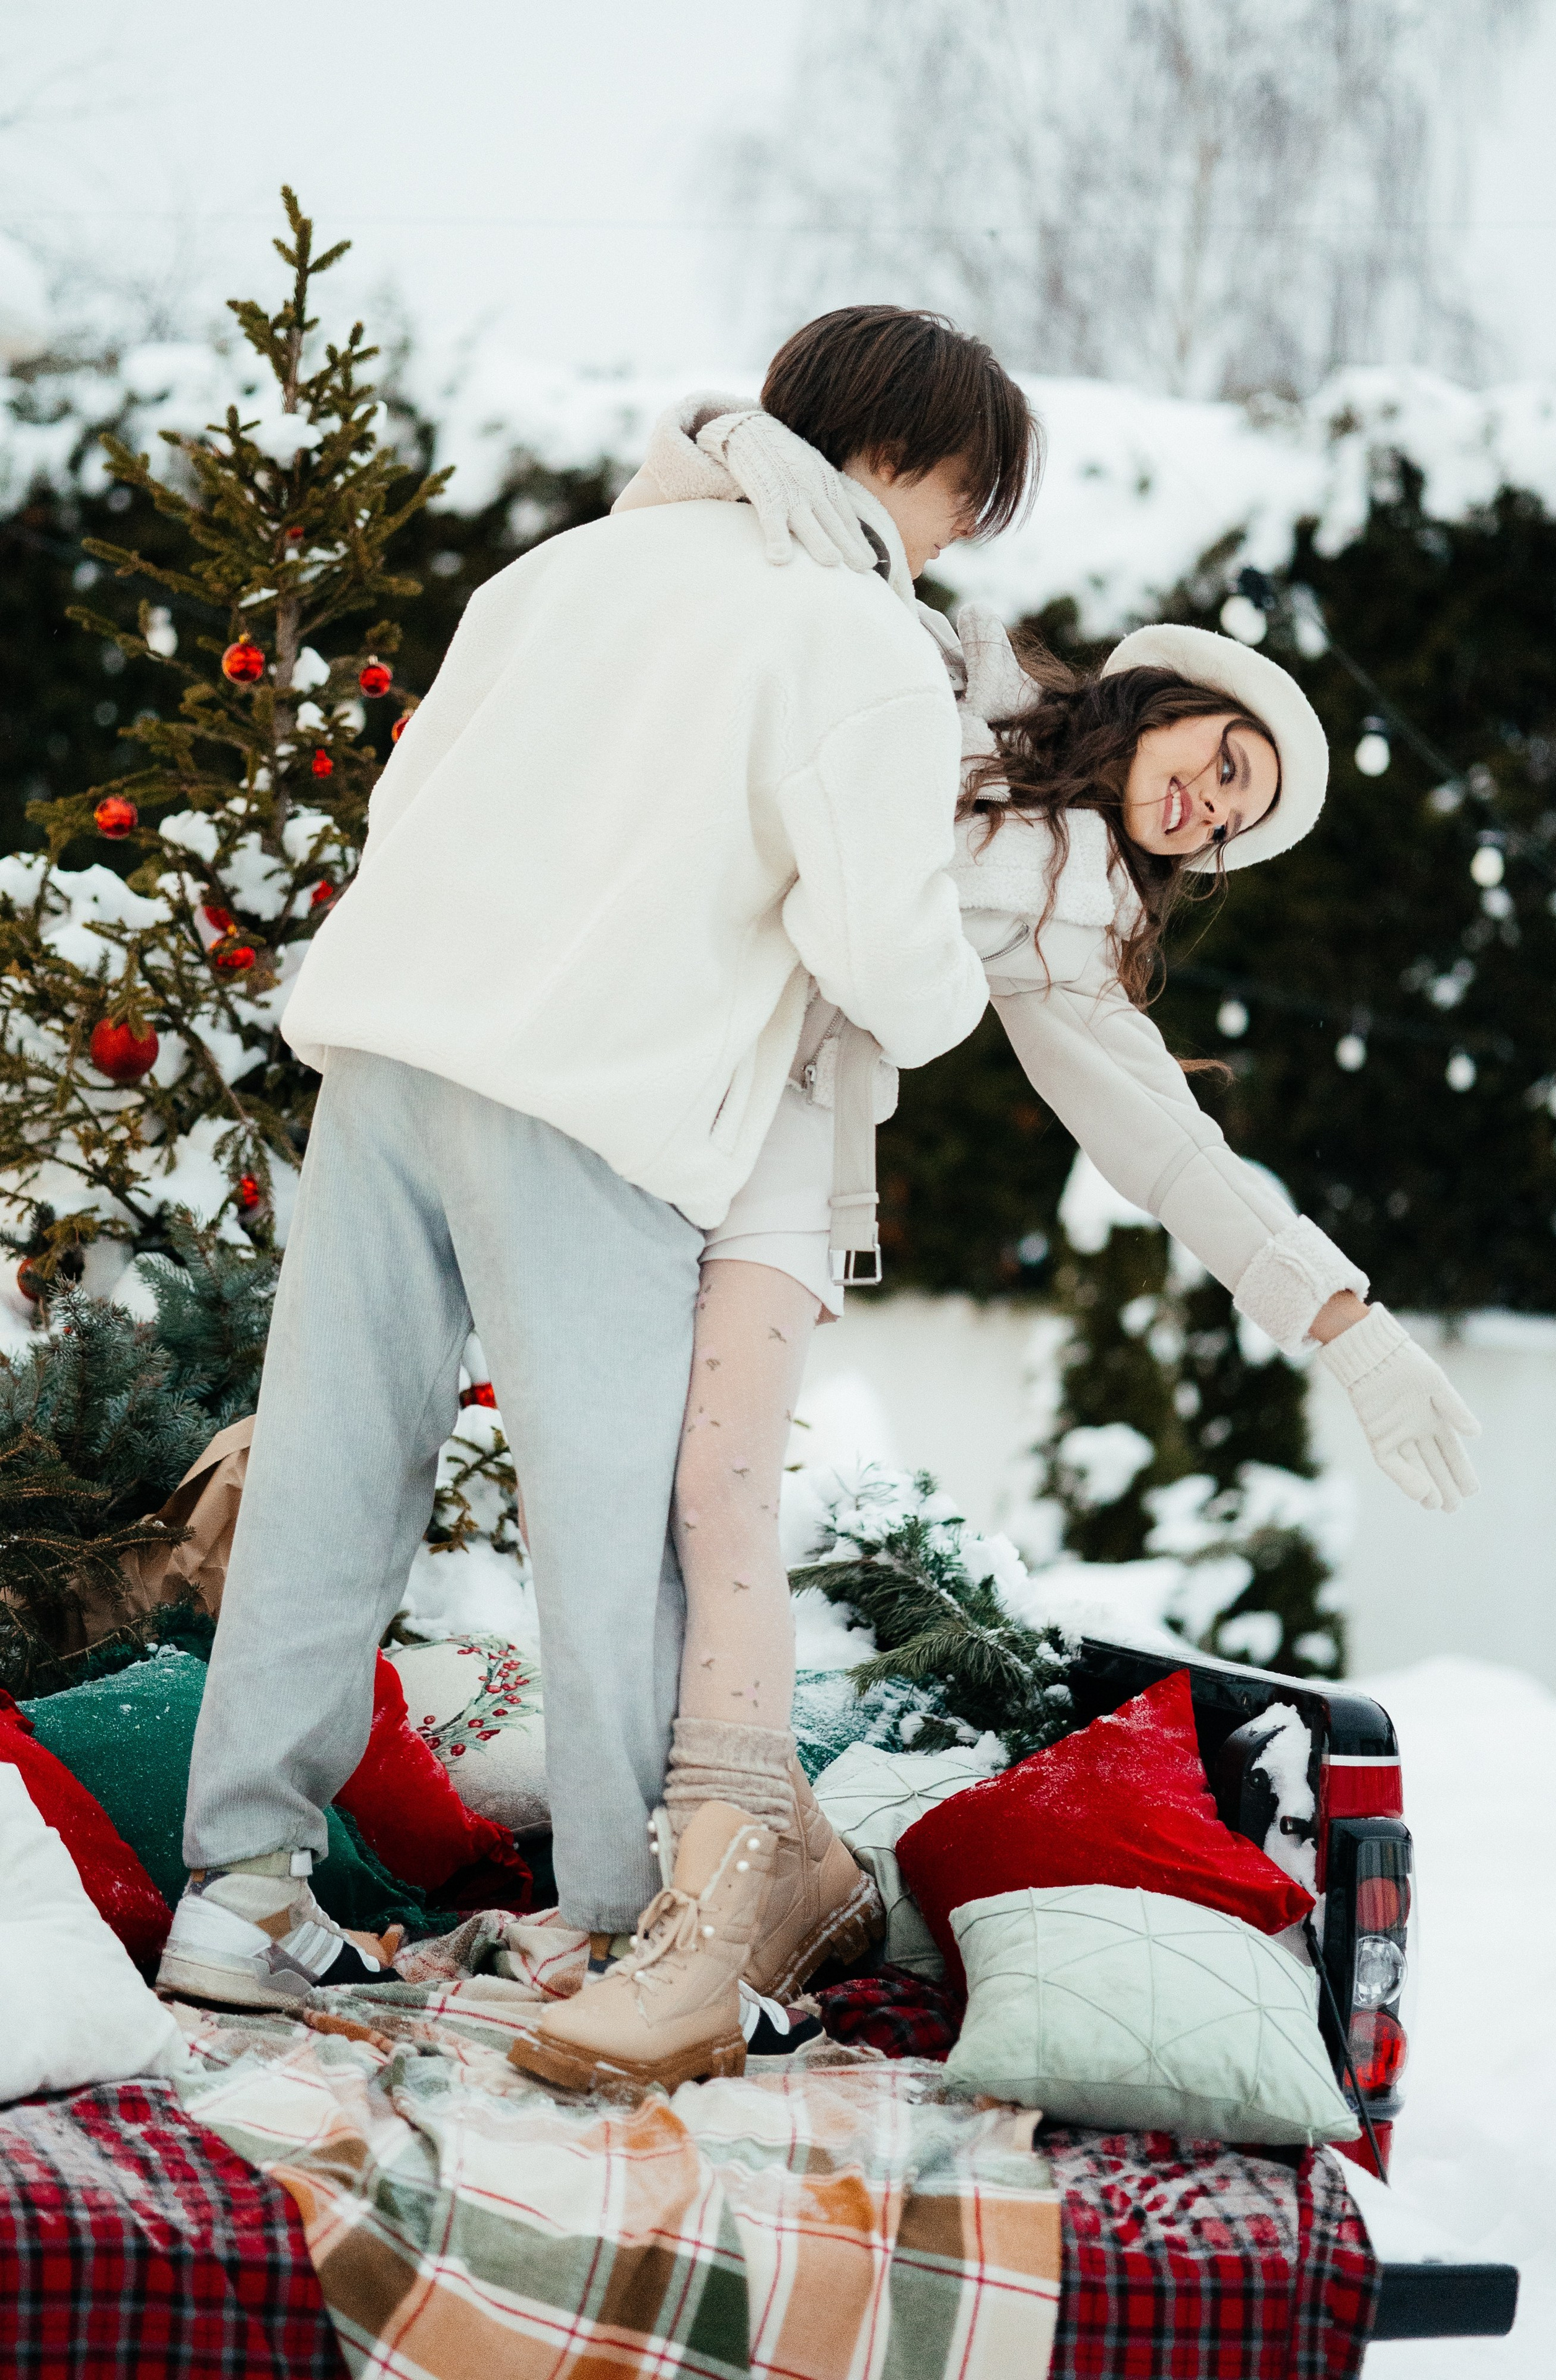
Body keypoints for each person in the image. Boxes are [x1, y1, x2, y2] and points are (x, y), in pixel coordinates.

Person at [511, 405, 1478, 2096]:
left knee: (709, 1494)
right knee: (589, 1475)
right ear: (1172, 696)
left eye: (1228, 823)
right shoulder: (943, 661)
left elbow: (1174, 1151)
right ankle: (788, 1863)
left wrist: (1352, 1321)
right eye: (1221, 760)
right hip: (637, 1064)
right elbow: (714, 592)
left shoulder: (1068, 918)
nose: (1205, 806)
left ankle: (685, 1899)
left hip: (779, 1142)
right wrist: (726, 435)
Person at [157, 308, 1041, 2016]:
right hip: (592, 1103)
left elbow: (405, 808)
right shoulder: (848, 628)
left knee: (331, 1477)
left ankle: (241, 1895)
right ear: (906, 460)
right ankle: (629, 1929)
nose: (957, 543)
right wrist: (963, 984)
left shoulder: (558, 574)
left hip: (393, 1056)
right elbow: (884, 954)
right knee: (618, 1525)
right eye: (967, 501)